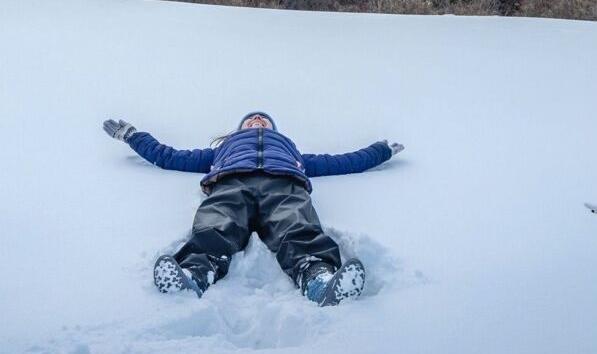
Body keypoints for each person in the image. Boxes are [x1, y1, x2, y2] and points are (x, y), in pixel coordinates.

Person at [102, 111, 403, 306]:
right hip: (232, 183)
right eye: (251, 120)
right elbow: (169, 156)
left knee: (295, 221)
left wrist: (380, 152)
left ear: (273, 129)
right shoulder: (221, 151)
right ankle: (194, 274)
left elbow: (341, 162)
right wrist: (132, 136)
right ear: (239, 128)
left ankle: (318, 278)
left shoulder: (290, 152)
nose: (257, 121)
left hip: (283, 184)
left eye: (263, 120)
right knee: (218, 220)